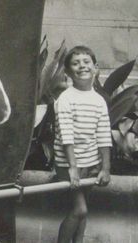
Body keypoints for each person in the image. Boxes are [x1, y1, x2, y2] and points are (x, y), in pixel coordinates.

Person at [54, 46, 112, 243]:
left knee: (81, 212)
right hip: (68, 164)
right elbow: (66, 135)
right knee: (80, 209)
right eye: (75, 63)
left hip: (91, 163)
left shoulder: (99, 101)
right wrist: (73, 168)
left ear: (95, 67)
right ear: (68, 72)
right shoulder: (66, 98)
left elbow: (104, 134)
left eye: (86, 62)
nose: (82, 66)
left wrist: (105, 167)